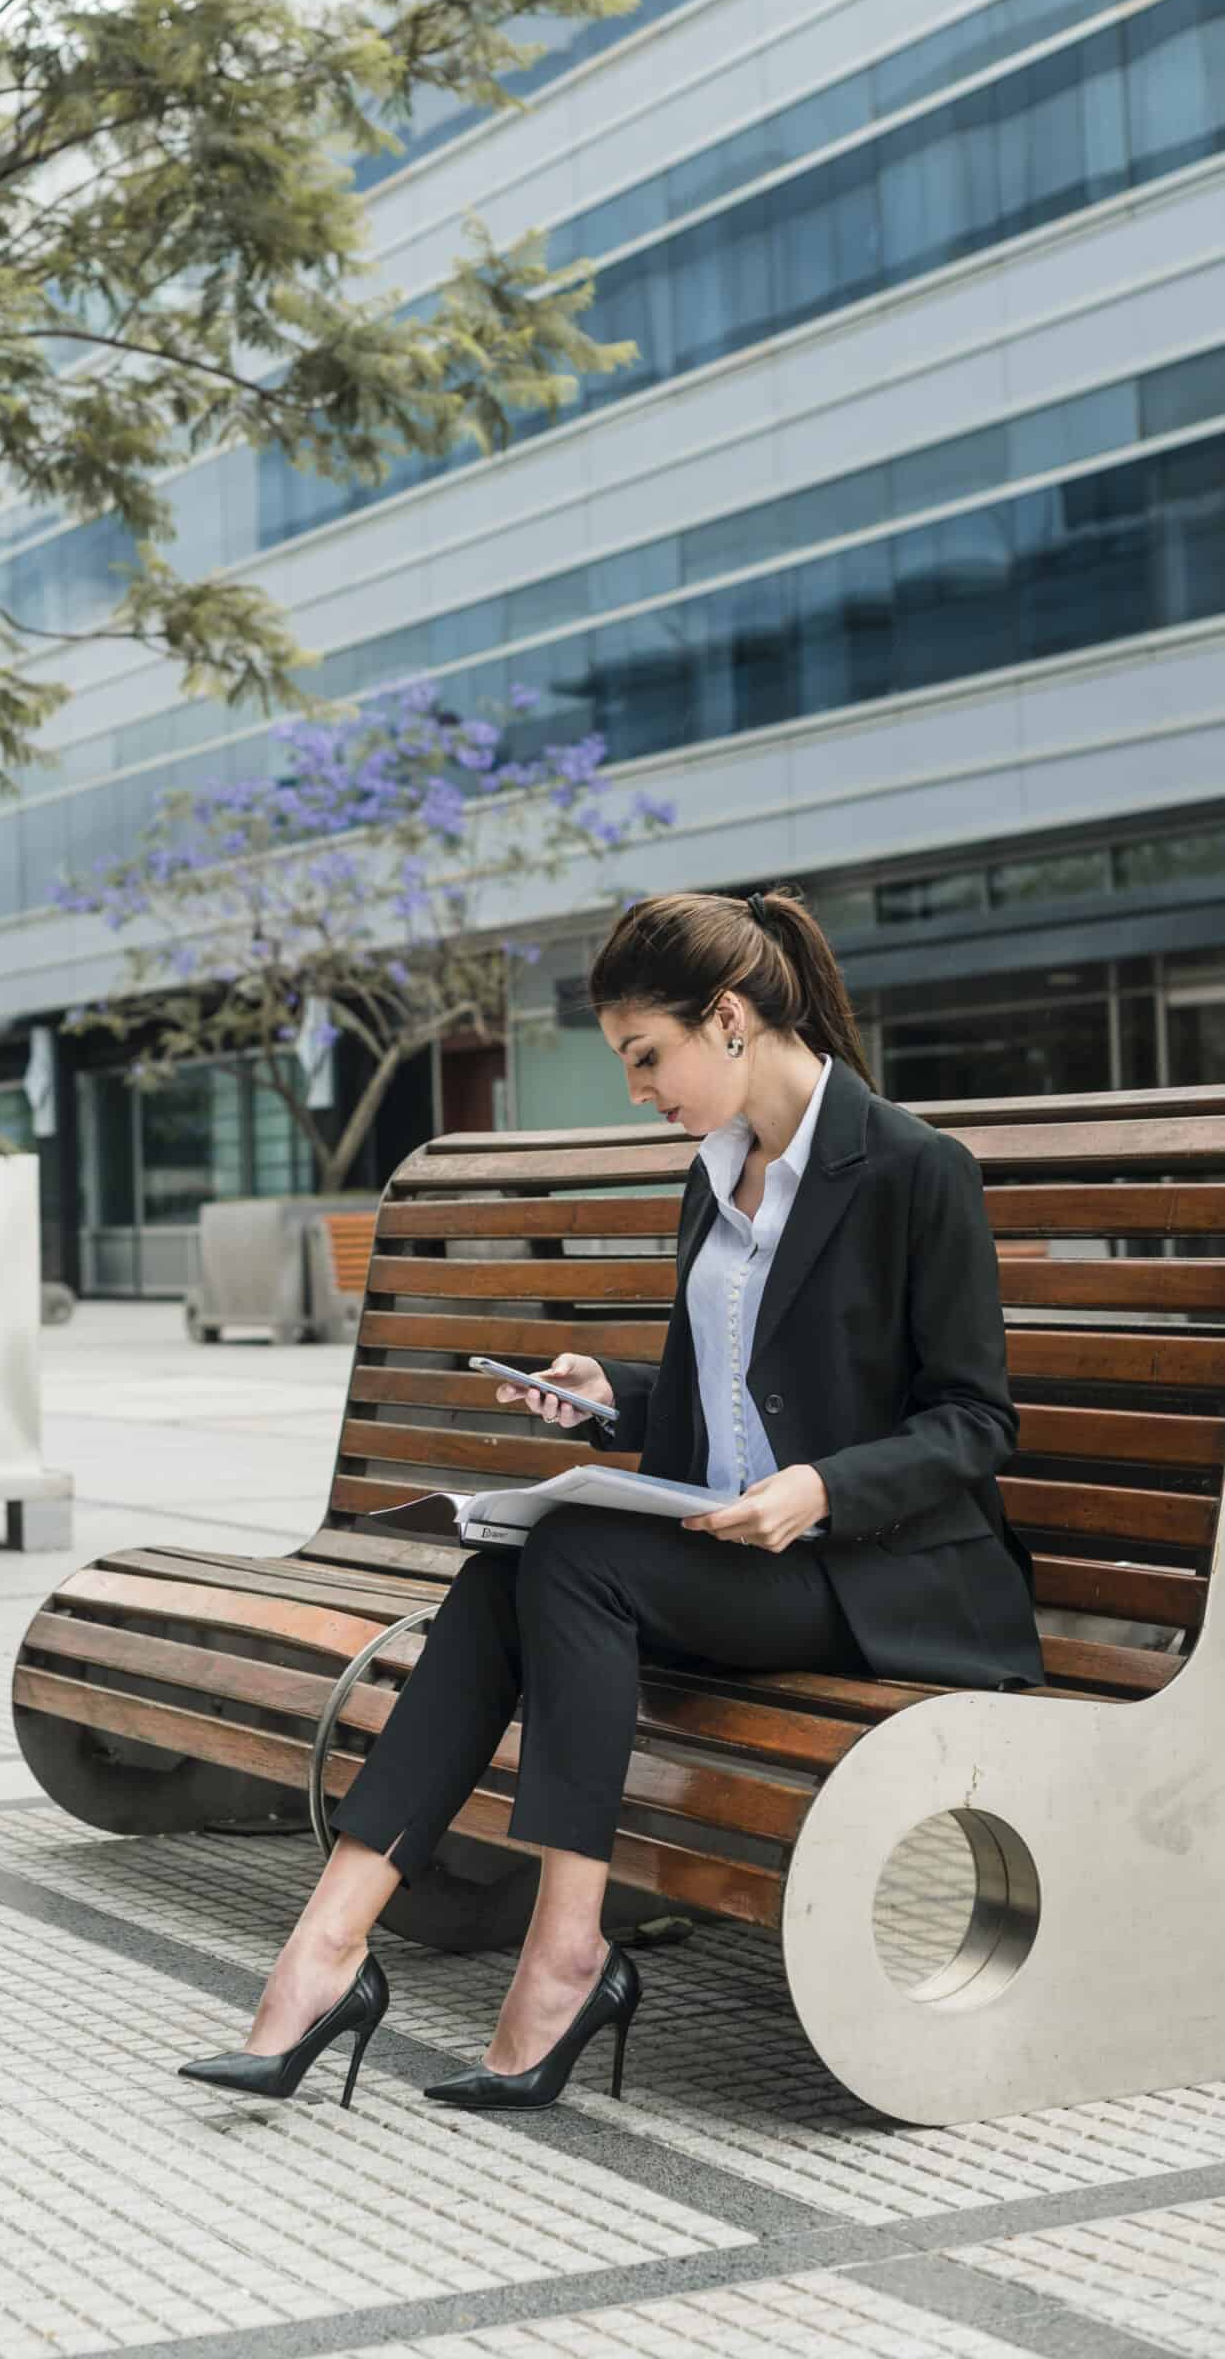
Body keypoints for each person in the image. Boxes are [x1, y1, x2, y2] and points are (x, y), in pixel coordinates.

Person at [178, 885, 1043, 2113]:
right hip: (734, 1554)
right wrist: (611, 1399)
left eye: (648, 1055)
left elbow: (972, 1423)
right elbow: (733, 1395)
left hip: (874, 1573)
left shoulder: (910, 1169)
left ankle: (566, 1953)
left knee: (572, 1558)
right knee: (497, 1578)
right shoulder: (714, 1176)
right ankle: (323, 1952)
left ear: (730, 1017)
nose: (640, 1090)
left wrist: (818, 1491)